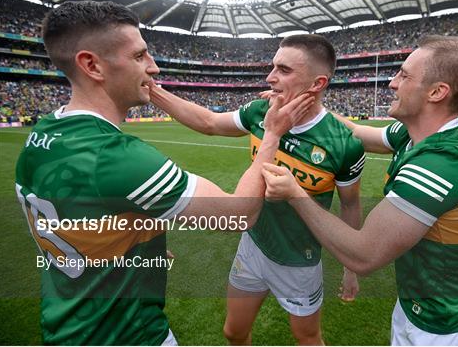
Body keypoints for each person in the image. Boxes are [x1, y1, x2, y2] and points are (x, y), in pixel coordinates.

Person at [14, 0, 312, 345]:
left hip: (64, 327)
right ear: (92, 65)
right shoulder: (116, 157)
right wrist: (272, 133)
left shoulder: (40, 136)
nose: (153, 67)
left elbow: (74, 218)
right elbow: (239, 214)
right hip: (127, 334)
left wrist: (137, 241)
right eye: (140, 56)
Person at [262, 35, 458, 345]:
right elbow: (356, 131)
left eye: (404, 75)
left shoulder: (439, 167)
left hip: (442, 330)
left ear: (437, 92)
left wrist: (295, 194)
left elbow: (364, 255)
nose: (392, 83)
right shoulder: (413, 135)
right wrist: (309, 104)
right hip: (415, 309)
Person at [149, 34, 365, 345]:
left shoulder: (344, 144)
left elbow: (351, 206)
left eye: (284, 70)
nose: (270, 77)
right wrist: (153, 92)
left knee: (307, 338)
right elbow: (209, 122)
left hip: (299, 260)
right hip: (253, 247)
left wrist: (350, 268)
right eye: (273, 66)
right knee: (233, 332)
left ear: (317, 83)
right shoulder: (259, 111)